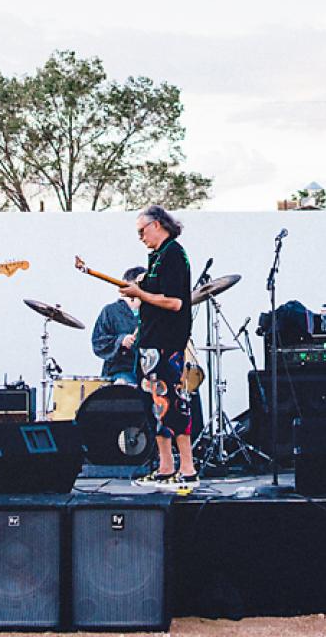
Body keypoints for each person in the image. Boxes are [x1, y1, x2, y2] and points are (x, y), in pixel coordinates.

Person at [116, 205, 197, 490]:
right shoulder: (157, 257)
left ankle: (187, 469)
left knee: (173, 403)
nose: (140, 236)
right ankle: (166, 467)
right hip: (150, 344)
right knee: (155, 406)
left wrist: (140, 293)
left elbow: (175, 302)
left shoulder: (174, 253)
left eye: (142, 230)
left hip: (166, 343)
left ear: (159, 224)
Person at [91, 267, 146, 384]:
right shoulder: (110, 311)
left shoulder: (151, 312)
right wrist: (121, 340)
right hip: (120, 371)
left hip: (149, 372)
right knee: (125, 385)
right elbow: (98, 343)